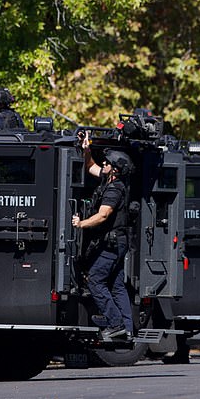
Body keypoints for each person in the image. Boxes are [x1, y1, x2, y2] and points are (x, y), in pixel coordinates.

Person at [72, 131, 134, 339]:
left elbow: (103, 215)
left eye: (106, 163)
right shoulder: (108, 179)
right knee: (116, 284)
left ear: (114, 170)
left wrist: (81, 224)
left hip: (113, 244)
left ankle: (116, 324)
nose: (103, 164)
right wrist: (86, 147)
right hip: (117, 243)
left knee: (96, 281)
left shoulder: (114, 189)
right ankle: (127, 327)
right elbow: (90, 166)